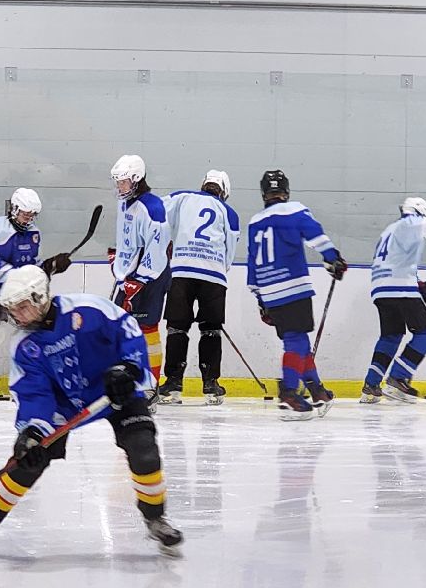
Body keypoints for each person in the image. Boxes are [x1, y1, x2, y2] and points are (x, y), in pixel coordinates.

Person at [0, 266, 184, 560]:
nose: (16, 316)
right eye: (12, 310)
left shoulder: (88, 310)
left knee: (144, 451)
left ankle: (156, 519)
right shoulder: (25, 346)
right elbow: (34, 394)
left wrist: (129, 367)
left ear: (40, 298)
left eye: (22, 307)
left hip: (115, 391)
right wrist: (32, 432)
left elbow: (127, 330)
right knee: (28, 461)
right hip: (65, 404)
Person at [245, 169, 348, 420]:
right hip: (293, 285)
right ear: (286, 191)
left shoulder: (255, 222)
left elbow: (252, 261)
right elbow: (316, 235)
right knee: (296, 341)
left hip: (269, 290)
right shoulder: (295, 210)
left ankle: (317, 390)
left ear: (263, 193)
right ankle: (289, 394)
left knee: (298, 339)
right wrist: (333, 259)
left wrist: (260, 299)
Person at [0, 187, 69, 400]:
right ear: (14, 209)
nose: (28, 218)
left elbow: (31, 265)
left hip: (16, 288)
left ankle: (30, 379)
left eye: (32, 215)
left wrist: (50, 266)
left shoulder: (33, 233)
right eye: (25, 213)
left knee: (32, 329)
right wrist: (23, 279)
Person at [363, 196, 426, 404]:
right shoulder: (408, 224)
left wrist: (422, 289)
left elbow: (398, 264)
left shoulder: (389, 231)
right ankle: (398, 378)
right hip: (400, 289)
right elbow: (416, 223)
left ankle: (371, 385)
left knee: (391, 336)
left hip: (381, 289)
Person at [159, 170, 240, 405]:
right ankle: (211, 385)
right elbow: (230, 247)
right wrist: (220, 269)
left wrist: (166, 243)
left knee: (176, 328)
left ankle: (173, 384)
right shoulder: (229, 212)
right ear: (224, 191)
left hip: (182, 271)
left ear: (204, 184)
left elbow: (156, 211)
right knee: (211, 330)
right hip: (213, 275)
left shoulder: (182, 197)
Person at [110, 154, 171, 384]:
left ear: (137, 180)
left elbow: (157, 249)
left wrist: (140, 279)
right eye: (118, 182)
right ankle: (125, 381)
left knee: (147, 327)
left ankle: (151, 384)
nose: (120, 186)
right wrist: (120, 263)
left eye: (124, 181)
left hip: (150, 278)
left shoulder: (153, 207)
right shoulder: (124, 203)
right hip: (130, 277)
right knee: (121, 326)